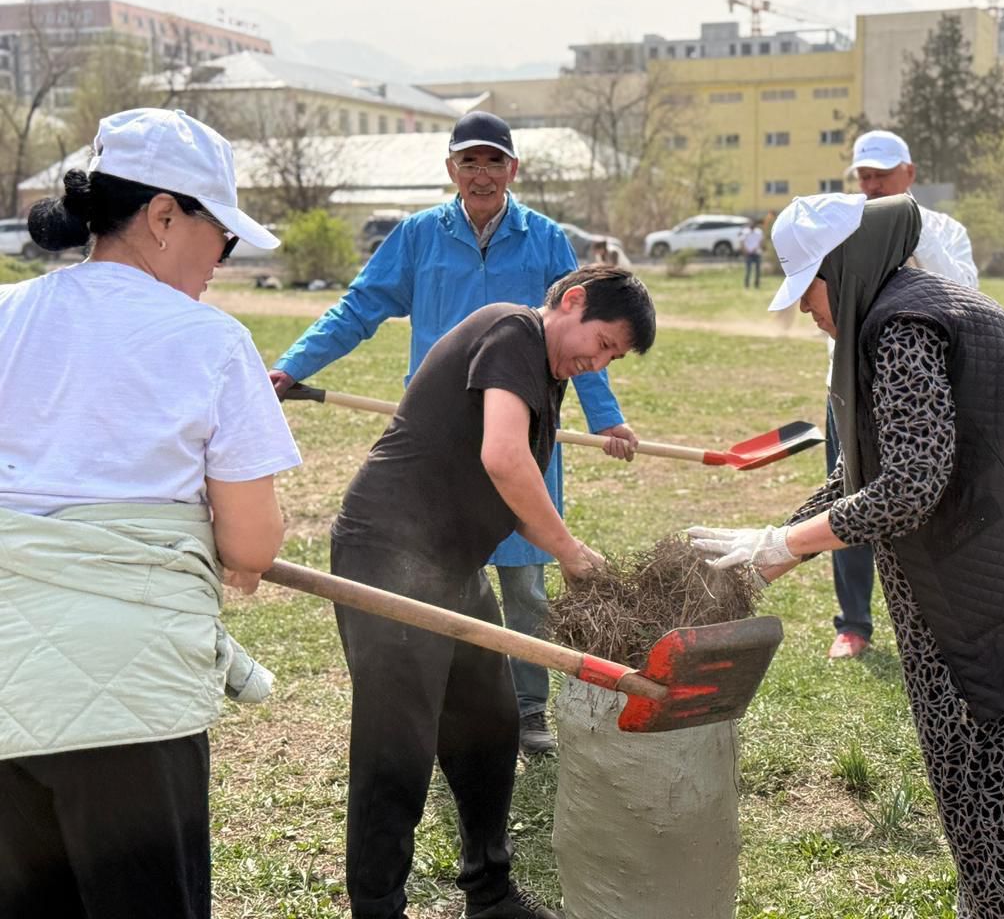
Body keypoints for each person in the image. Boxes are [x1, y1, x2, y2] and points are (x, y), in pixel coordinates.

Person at [689, 192, 1004, 918]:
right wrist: (779, 542)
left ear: (843, 268)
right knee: (999, 825)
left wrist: (784, 545)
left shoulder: (902, 326)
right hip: (1002, 600)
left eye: (810, 291)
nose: (811, 312)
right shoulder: (915, 305)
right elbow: (873, 469)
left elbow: (911, 486)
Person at [0, 108, 300, 918]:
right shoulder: (208, 340)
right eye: (224, 239)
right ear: (165, 215)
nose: (221, 262)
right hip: (127, 700)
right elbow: (253, 539)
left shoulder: (5, 316)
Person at [269, 111, 638, 756]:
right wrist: (295, 364)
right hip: (441, 436)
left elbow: (588, 335)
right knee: (436, 575)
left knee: (525, 581)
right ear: (451, 170)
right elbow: (360, 307)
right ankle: (444, 704)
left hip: (521, 432)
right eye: (469, 161)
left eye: (494, 161)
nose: (482, 173)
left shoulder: (547, 239)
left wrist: (605, 416)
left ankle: (528, 710)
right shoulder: (417, 237)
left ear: (513, 170)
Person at [329, 265, 655, 919]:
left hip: (450, 569)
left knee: (490, 725)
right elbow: (503, 457)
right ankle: (376, 908)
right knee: (398, 746)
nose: (598, 361)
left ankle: (489, 891)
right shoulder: (513, 332)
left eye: (613, 357)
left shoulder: (547, 372)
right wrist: (568, 550)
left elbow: (516, 474)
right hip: (389, 557)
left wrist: (567, 551)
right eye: (602, 342)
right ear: (572, 301)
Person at [825, 129, 979, 659]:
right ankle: (853, 624)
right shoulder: (840, 229)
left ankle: (938, 623)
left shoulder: (944, 231)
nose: (870, 186)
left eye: (881, 176)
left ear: (909, 175)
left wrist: (911, 233)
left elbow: (966, 296)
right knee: (848, 496)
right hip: (850, 389)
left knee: (925, 500)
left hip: (926, 392)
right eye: (863, 176)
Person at [741, 219, 764, 289]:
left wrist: (756, 248)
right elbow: (742, 242)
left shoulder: (759, 232)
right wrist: (745, 250)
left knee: (758, 270)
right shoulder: (745, 232)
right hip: (748, 253)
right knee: (748, 270)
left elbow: (761, 241)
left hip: (757, 253)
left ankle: (756, 284)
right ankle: (746, 284)